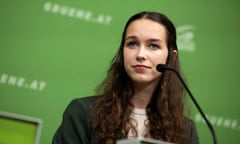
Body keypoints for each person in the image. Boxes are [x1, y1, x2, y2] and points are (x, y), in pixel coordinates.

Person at [52, 11, 199, 144]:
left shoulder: (186, 131)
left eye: (153, 45)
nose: (141, 54)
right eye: (132, 44)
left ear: (171, 56)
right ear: (123, 52)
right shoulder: (83, 113)